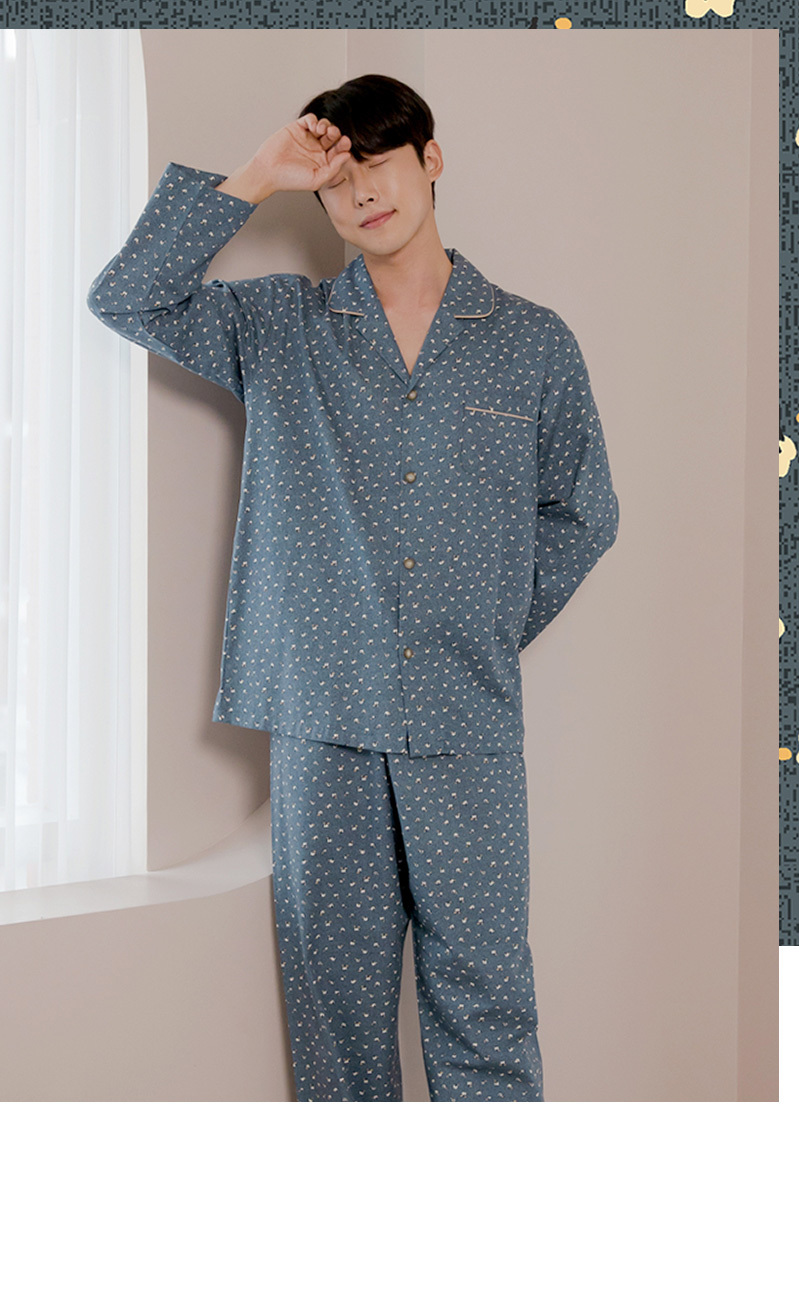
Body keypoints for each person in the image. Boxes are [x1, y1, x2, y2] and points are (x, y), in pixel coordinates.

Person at [88, 70, 619, 1102]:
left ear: (430, 159)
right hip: (321, 720)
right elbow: (129, 296)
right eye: (336, 177)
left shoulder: (531, 342)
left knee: (487, 1009)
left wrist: (479, 621)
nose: (361, 190)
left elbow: (583, 510)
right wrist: (260, 173)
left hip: (465, 723)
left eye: (377, 161)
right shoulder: (280, 326)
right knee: (336, 1022)